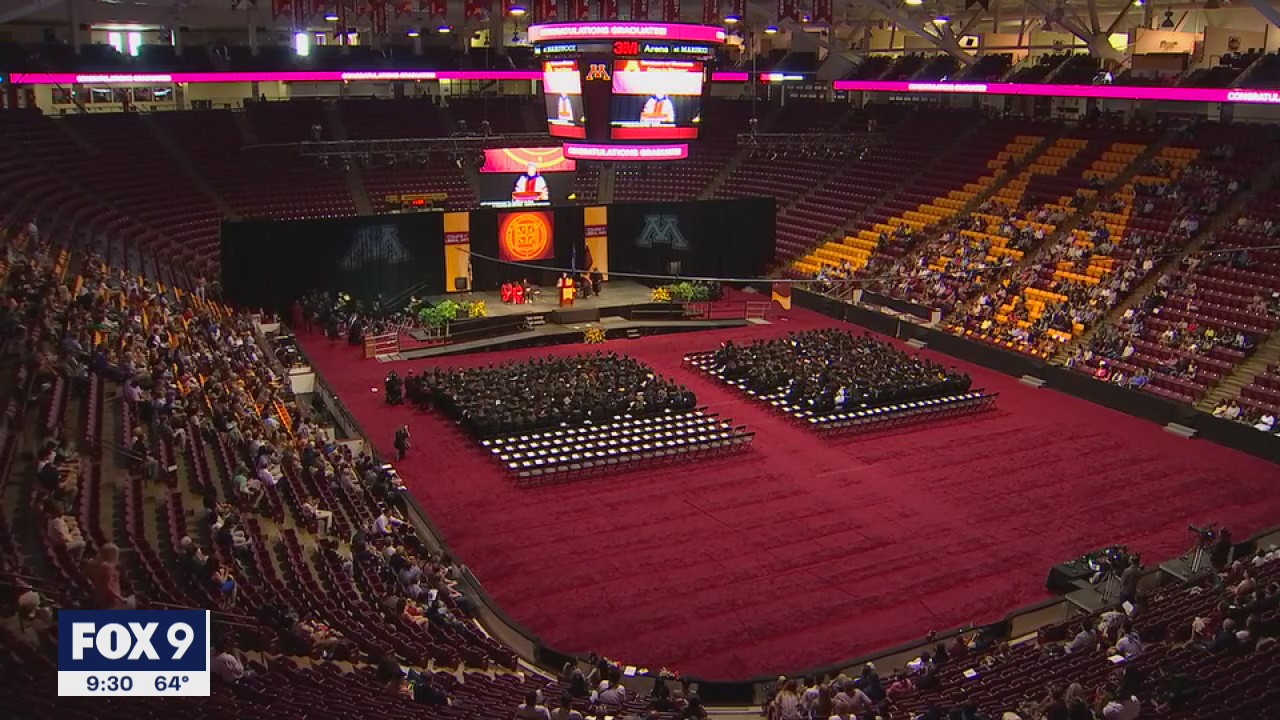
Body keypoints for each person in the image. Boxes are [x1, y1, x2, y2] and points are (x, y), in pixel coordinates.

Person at [84, 543, 137, 609]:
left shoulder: (96, 565)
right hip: (109, 601)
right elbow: (107, 587)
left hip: (102, 598)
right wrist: (121, 598)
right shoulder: (107, 567)